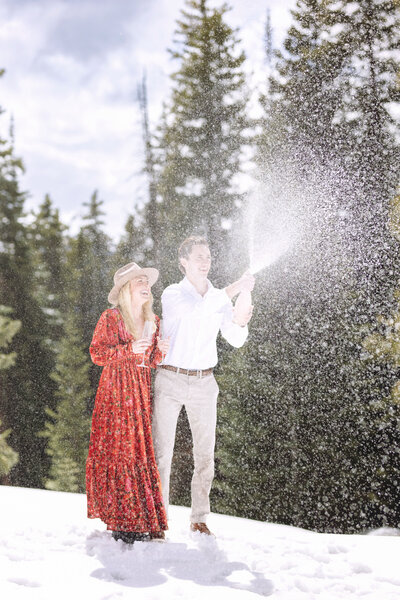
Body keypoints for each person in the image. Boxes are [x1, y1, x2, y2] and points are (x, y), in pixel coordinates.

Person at [152, 236, 254, 536]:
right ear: (183, 262)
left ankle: (199, 518)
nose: (205, 262)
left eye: (208, 257)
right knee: (162, 453)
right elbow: (195, 310)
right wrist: (236, 288)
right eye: (198, 257)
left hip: (204, 382)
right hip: (169, 379)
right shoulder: (173, 293)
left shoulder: (218, 299)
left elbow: (235, 339)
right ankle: (159, 518)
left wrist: (240, 319)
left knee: (205, 454)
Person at [86, 262, 170, 544]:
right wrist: (127, 350)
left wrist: (160, 352)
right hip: (114, 393)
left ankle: (139, 520)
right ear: (125, 289)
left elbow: (150, 362)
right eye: (139, 281)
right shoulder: (111, 317)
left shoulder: (152, 321)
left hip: (139, 393)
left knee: (137, 453)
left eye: (146, 280)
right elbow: (97, 354)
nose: (145, 285)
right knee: (119, 453)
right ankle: (121, 519)